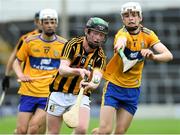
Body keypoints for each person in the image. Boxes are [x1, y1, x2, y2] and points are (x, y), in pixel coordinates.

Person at [92, 2, 173, 134]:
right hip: (114, 87)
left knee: (119, 132)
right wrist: (120, 44)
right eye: (127, 15)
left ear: (140, 17)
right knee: (105, 131)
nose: (131, 18)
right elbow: (121, 40)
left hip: (132, 91)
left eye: (134, 15)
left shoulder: (148, 35)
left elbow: (168, 55)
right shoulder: (122, 33)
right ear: (123, 19)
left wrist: (153, 57)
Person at [46, 17, 109, 134]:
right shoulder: (73, 44)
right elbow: (62, 69)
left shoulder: (100, 56)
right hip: (58, 92)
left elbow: (97, 78)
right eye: (95, 33)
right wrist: (78, 71)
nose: (97, 38)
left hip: (81, 95)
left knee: (81, 130)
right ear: (87, 31)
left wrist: (91, 84)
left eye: (101, 35)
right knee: (52, 132)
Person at [12, 8, 67, 134]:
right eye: (46, 22)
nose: (49, 25)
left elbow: (68, 66)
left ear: (56, 24)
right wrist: (21, 75)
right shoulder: (30, 41)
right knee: (21, 130)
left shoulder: (64, 44)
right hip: (28, 92)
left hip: (48, 94)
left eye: (52, 22)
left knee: (33, 128)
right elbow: (17, 62)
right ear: (40, 23)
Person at [1, 11, 42, 92]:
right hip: (29, 81)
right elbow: (13, 57)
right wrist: (7, 76)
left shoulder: (56, 40)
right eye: (39, 20)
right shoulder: (26, 38)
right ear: (36, 22)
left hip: (47, 82)